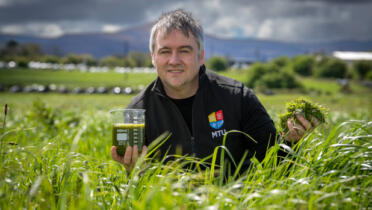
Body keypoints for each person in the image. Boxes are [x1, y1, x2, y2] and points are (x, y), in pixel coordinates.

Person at [111, 9, 319, 172]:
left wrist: (293, 142)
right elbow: (137, 188)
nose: (174, 60)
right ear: (153, 57)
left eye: (184, 50)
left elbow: (276, 165)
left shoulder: (238, 98)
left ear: (200, 56)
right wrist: (134, 170)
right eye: (165, 51)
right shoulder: (138, 111)